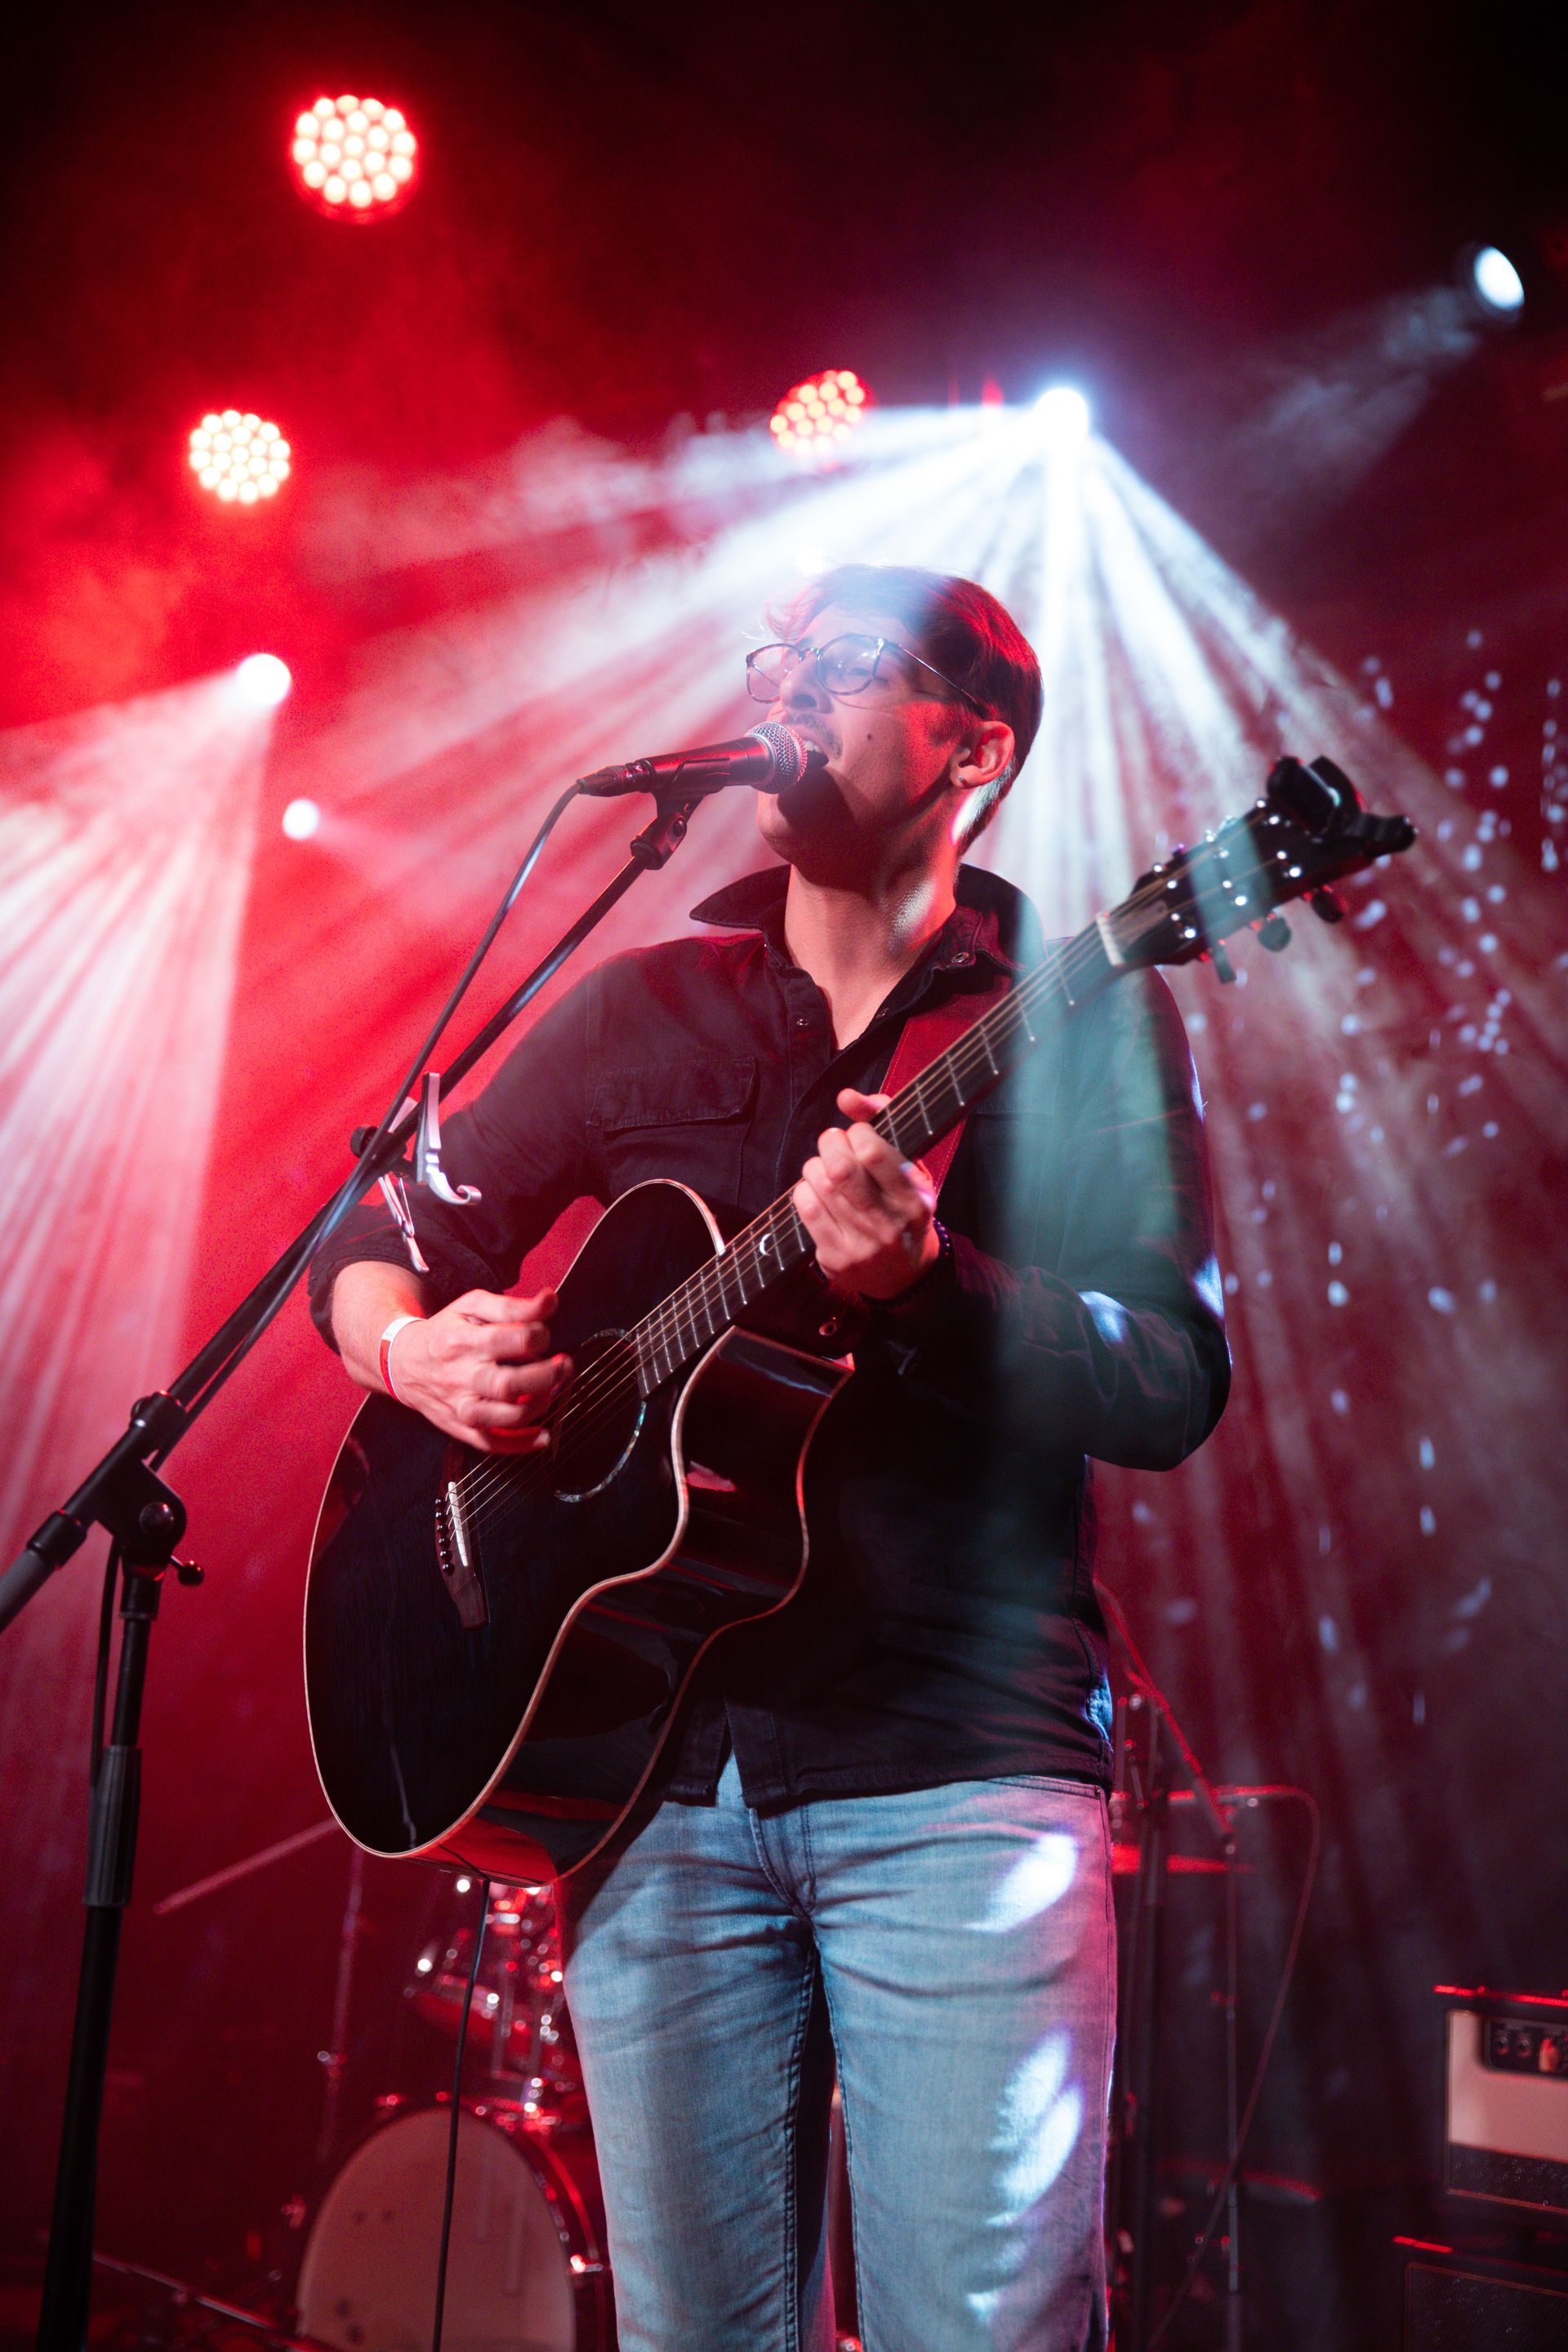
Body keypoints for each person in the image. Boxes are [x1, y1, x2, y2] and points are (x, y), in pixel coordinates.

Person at [308, 564, 1229, 2351]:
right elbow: (375, 1232)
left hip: (954, 1774)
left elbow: (1173, 1378)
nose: (788, 682)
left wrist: (932, 1292)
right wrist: (413, 1352)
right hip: (652, 1783)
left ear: (974, 747)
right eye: (778, 654)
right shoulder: (643, 1005)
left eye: (846, 660)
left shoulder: (1084, 1010)